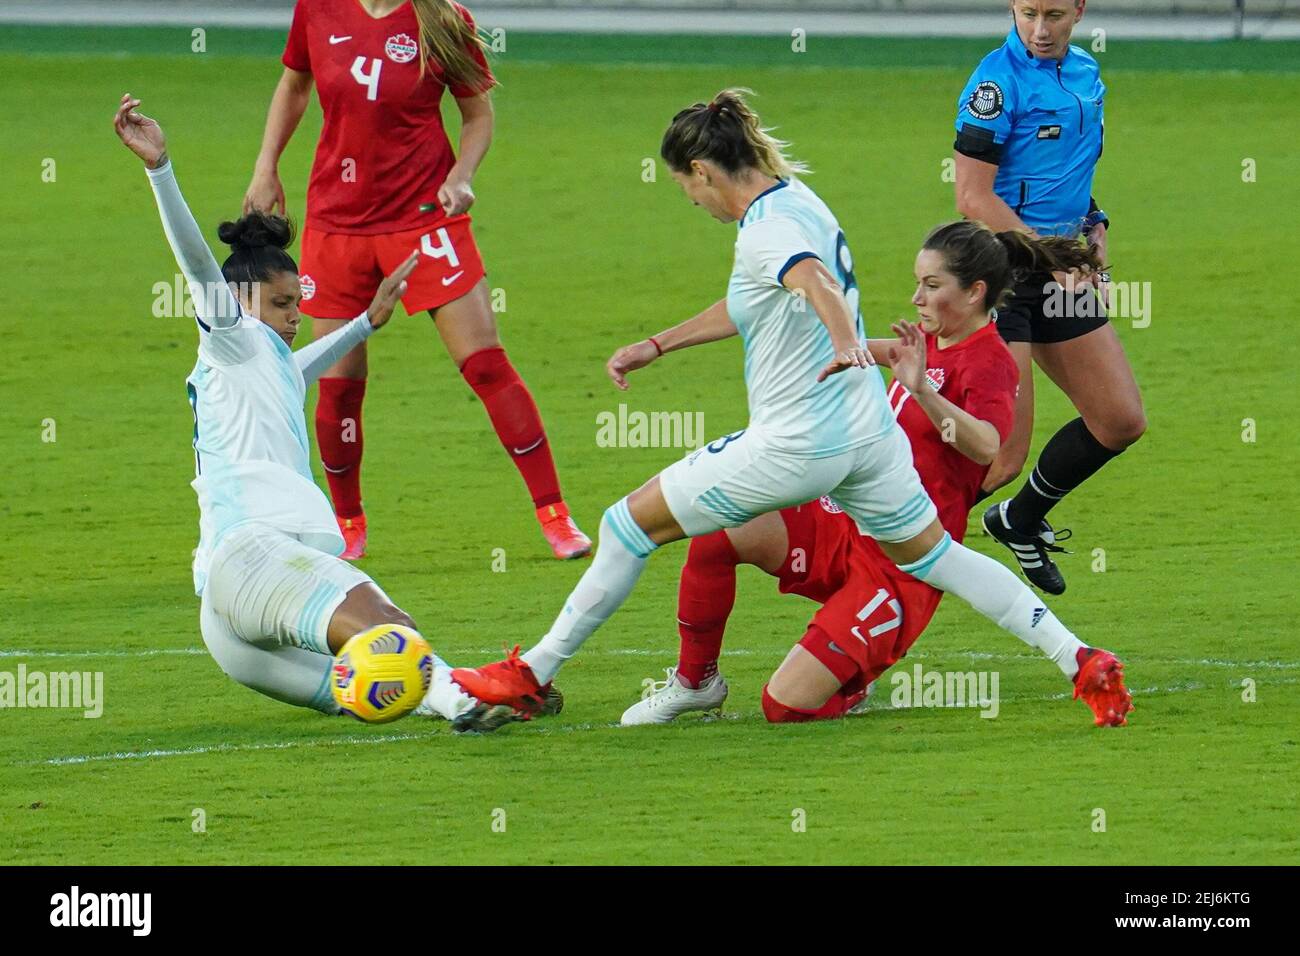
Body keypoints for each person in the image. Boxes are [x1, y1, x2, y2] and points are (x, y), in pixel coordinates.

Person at [450, 90, 1110, 732]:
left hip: (801, 444)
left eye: (689, 188)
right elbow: (755, 300)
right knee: (934, 557)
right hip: (869, 437)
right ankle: (1079, 660)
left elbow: (813, 283)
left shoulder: (770, 230)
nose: (694, 200)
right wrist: (658, 345)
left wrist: (850, 345)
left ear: (704, 173)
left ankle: (531, 674)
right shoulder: (799, 201)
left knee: (626, 526)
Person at [621, 222, 1131, 728]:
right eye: (918, 283)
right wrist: (669, 345)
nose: (917, 298)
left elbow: (987, 448)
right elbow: (847, 344)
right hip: (839, 524)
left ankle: (853, 676)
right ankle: (695, 683)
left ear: (975, 292)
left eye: (932, 286)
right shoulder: (923, 344)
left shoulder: (990, 361)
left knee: (785, 708)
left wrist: (925, 393)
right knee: (717, 535)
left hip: (899, 563)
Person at [114, 93, 482, 722]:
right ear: (241, 298)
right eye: (284, 304)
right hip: (256, 557)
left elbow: (297, 369)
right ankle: (474, 697)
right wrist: (160, 169)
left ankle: (469, 697)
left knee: (392, 682)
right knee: (391, 631)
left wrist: (367, 320)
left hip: (229, 627)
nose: (296, 317)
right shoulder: (229, 334)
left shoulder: (259, 363)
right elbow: (199, 264)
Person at [244, 0, 589, 561]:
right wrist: (266, 166)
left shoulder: (442, 18)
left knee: (484, 364)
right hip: (338, 221)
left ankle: (556, 516)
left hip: (426, 215)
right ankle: (347, 523)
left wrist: (462, 175)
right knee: (339, 386)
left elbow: (477, 112)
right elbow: (294, 85)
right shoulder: (318, 9)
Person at [953, 0, 1146, 594]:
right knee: (1002, 458)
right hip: (1001, 277)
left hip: (1063, 270)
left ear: (1080, 10)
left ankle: (1019, 520)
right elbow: (972, 196)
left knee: (1119, 421)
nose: (1040, 29)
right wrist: (1050, 254)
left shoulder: (1087, 75)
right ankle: (887, 549)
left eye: (1055, 14)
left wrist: (1094, 221)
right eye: (1028, 12)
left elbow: (1071, 172)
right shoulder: (994, 82)